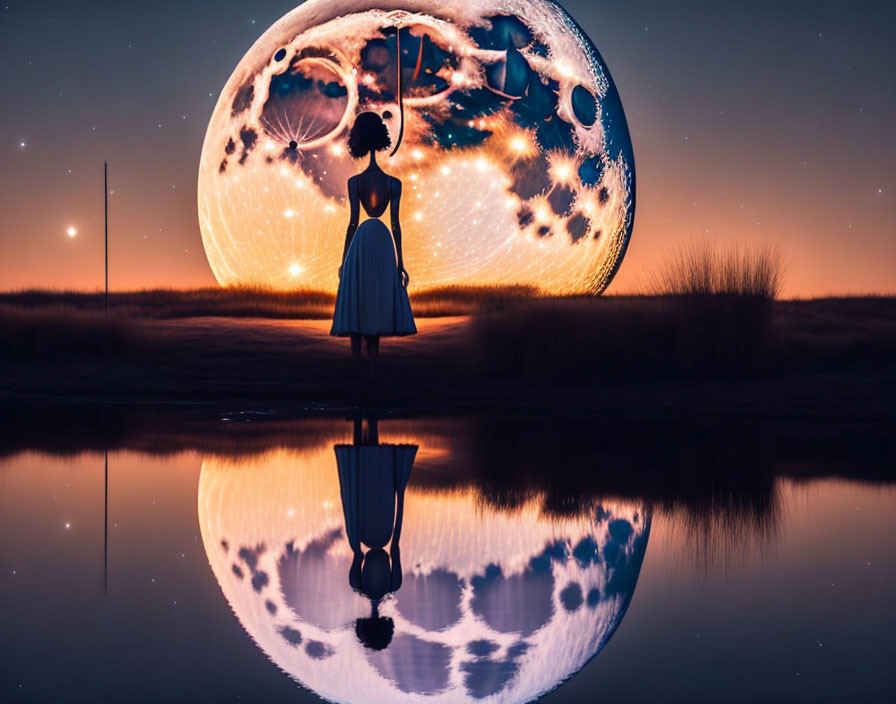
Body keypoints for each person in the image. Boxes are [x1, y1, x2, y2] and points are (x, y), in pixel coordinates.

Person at [330, 112, 417, 376]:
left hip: (361, 242)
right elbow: (396, 226)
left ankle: (359, 370)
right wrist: (401, 263)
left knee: (359, 300)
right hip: (382, 241)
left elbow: (353, 223)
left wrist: (344, 260)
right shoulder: (393, 183)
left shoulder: (355, 182)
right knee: (375, 302)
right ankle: (373, 370)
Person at [335, 414, 417, 650]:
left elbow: (395, 545)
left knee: (376, 476)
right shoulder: (358, 585)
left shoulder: (393, 586)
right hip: (368, 530)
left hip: (383, 528)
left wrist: (400, 498)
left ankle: (368, 420)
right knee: (363, 479)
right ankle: (361, 420)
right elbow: (359, 553)